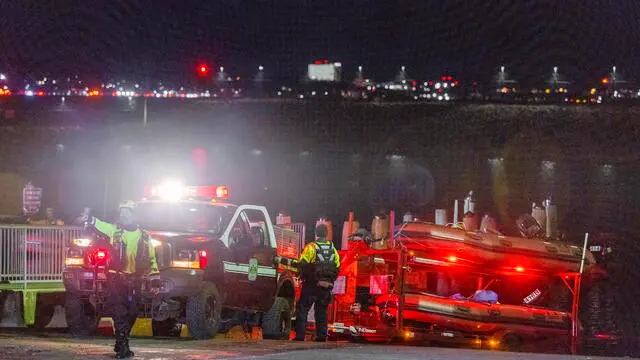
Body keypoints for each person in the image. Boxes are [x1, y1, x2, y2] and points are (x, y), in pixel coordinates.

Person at [81, 200, 159, 359]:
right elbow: (98, 223)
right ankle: (123, 348)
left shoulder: (144, 236)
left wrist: (155, 280)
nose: (123, 216)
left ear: (134, 216)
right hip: (115, 279)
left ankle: (120, 340)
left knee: (133, 312)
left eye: (126, 213)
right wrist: (89, 218)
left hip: (135, 280)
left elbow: (152, 259)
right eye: (121, 213)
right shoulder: (114, 231)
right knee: (120, 312)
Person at [293, 223, 341, 342]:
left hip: (311, 285)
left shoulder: (311, 247)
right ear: (327, 234)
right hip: (326, 287)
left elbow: (302, 263)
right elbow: (337, 267)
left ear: (316, 233)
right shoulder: (333, 249)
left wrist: (299, 272)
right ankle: (321, 336)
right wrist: (329, 281)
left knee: (303, 309)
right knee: (321, 312)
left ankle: (299, 336)